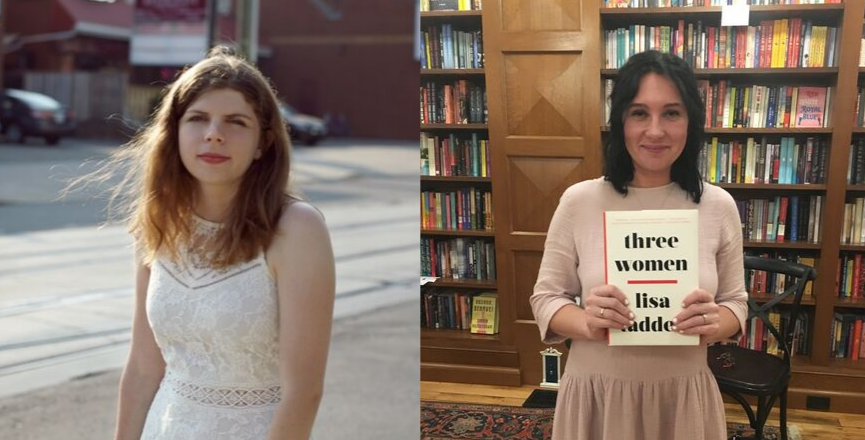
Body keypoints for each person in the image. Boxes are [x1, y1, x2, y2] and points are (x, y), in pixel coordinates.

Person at [83, 46, 336, 440]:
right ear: (175, 133)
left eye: (235, 121)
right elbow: (143, 367)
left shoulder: (296, 228)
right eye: (198, 118)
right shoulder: (158, 222)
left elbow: (303, 392)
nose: (214, 133)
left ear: (262, 143)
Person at [529, 50, 748, 440]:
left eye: (672, 113)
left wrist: (716, 322)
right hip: (598, 397)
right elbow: (546, 299)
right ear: (621, 122)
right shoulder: (579, 201)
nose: (655, 131)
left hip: (682, 398)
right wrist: (587, 322)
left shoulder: (718, 206)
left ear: (691, 122)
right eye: (639, 113)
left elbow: (736, 303)